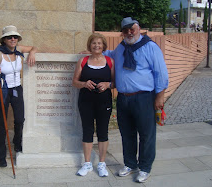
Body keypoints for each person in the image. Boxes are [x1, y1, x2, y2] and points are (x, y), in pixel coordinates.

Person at [103, 17, 168, 183]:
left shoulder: (150, 47)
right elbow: (109, 54)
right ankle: (130, 164)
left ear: (138, 29)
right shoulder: (121, 47)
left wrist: (160, 96)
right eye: (125, 30)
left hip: (144, 97)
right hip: (124, 99)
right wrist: (93, 52)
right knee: (127, 133)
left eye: (132, 29)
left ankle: (145, 167)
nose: (129, 32)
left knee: (146, 134)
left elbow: (160, 72)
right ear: (122, 33)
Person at [0, 25, 37, 167]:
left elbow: (34, 47)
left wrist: (32, 54)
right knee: (2, 123)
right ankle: (1, 155)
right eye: (9, 37)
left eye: (15, 37)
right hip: (2, 89)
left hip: (17, 88)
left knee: (20, 119)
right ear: (4, 40)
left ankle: (17, 143)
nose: (13, 39)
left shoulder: (19, 50)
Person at [72, 33, 115, 177]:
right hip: (86, 101)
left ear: (103, 46)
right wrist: (84, 83)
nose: (96, 46)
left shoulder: (110, 61)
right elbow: (74, 82)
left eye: (99, 43)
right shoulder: (83, 61)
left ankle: (102, 163)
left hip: (104, 101)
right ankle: (87, 163)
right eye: (93, 43)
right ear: (89, 45)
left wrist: (107, 84)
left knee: (103, 131)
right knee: (87, 130)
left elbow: (115, 83)